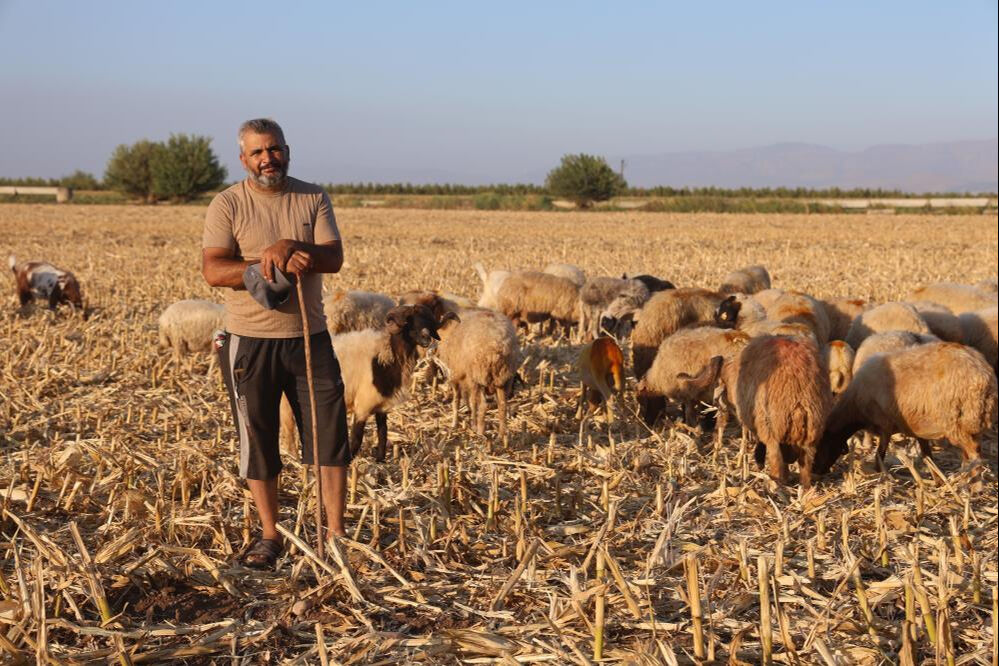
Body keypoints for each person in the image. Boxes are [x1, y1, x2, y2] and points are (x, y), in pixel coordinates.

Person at [202, 118, 350, 569]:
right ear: (244, 159)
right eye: (258, 152)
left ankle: (336, 535)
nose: (268, 158)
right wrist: (263, 262)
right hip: (249, 342)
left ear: (287, 150)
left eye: (275, 149)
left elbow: (334, 257)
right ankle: (271, 535)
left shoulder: (312, 197)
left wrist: (291, 245)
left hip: (309, 337)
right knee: (258, 437)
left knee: (329, 436)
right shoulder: (227, 203)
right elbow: (213, 270)